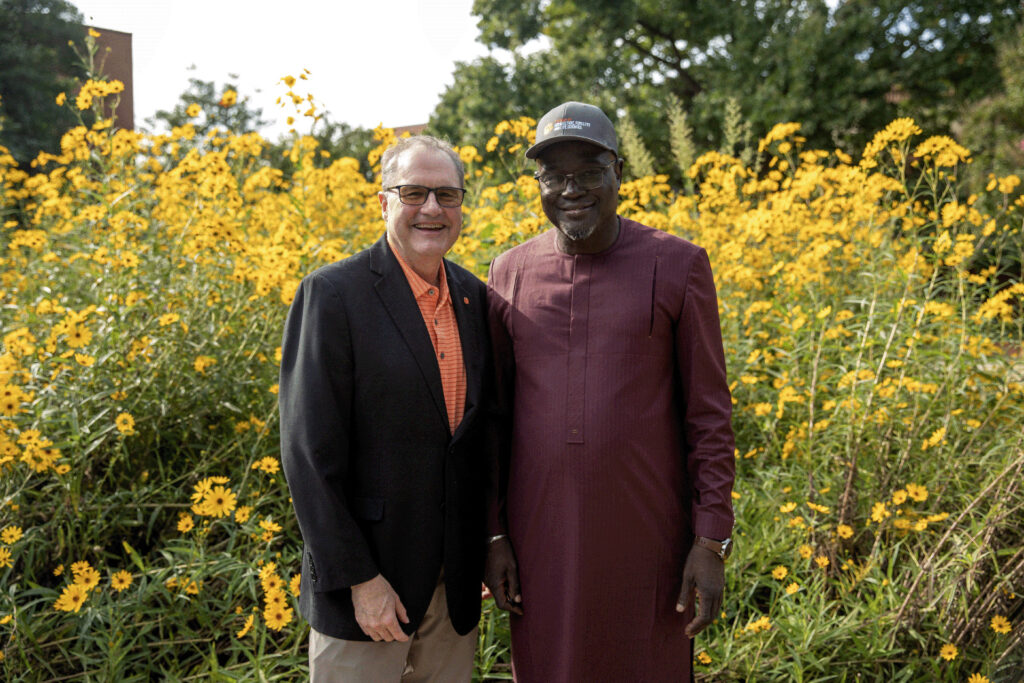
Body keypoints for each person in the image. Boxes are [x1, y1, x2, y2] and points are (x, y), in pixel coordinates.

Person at [484, 102, 736, 682]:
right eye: (554, 175)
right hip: (539, 538)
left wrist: (711, 540)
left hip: (649, 540)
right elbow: (492, 419)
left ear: (619, 172)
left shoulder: (679, 265)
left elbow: (709, 417)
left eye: (590, 170)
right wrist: (493, 534)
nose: (571, 189)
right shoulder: (508, 273)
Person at [280, 135, 491, 682]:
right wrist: (359, 579)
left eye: (447, 195)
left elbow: (478, 444)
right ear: (383, 202)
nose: (431, 209)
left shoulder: (475, 298)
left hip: (454, 591)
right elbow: (308, 455)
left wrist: (487, 548)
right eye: (414, 192)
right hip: (369, 592)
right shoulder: (332, 294)